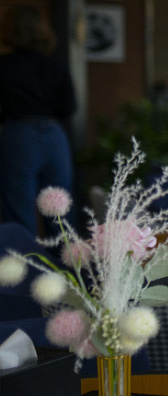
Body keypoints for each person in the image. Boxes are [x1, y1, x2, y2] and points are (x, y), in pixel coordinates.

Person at [0, 5, 77, 236]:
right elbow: (69, 107)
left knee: (19, 216)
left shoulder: (3, 65)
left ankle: (26, 270)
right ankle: (67, 270)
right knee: (61, 215)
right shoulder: (56, 65)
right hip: (54, 136)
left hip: (19, 134)